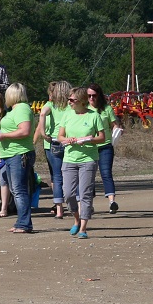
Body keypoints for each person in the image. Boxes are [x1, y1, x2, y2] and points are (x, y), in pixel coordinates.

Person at [58, 86, 105, 240]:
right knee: (68, 194)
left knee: (85, 194)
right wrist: (67, 140)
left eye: (72, 99)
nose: (69, 102)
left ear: (82, 101)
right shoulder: (67, 114)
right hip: (69, 159)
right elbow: (60, 137)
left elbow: (102, 138)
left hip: (88, 160)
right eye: (69, 99)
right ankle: (76, 219)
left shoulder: (94, 116)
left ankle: (83, 228)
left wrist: (90, 140)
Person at [0, 83, 35, 233]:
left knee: (19, 189)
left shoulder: (22, 108)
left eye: (7, 94)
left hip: (19, 154)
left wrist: (4, 136)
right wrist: (0, 148)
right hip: (9, 154)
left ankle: (24, 224)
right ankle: (21, 222)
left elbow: (25, 131)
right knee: (16, 190)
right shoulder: (12, 110)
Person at [34, 80, 71, 217]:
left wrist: (43, 133)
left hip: (53, 142)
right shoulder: (70, 105)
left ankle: (59, 209)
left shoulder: (51, 105)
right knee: (71, 175)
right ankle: (76, 204)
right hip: (68, 141)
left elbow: (42, 114)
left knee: (56, 176)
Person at [87, 83, 123, 214]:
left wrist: (116, 131)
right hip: (89, 147)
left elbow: (114, 124)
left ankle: (112, 201)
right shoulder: (84, 109)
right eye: (89, 95)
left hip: (105, 146)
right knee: (88, 176)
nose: (91, 98)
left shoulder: (106, 109)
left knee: (106, 173)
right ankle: (88, 204)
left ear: (99, 95)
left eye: (94, 95)